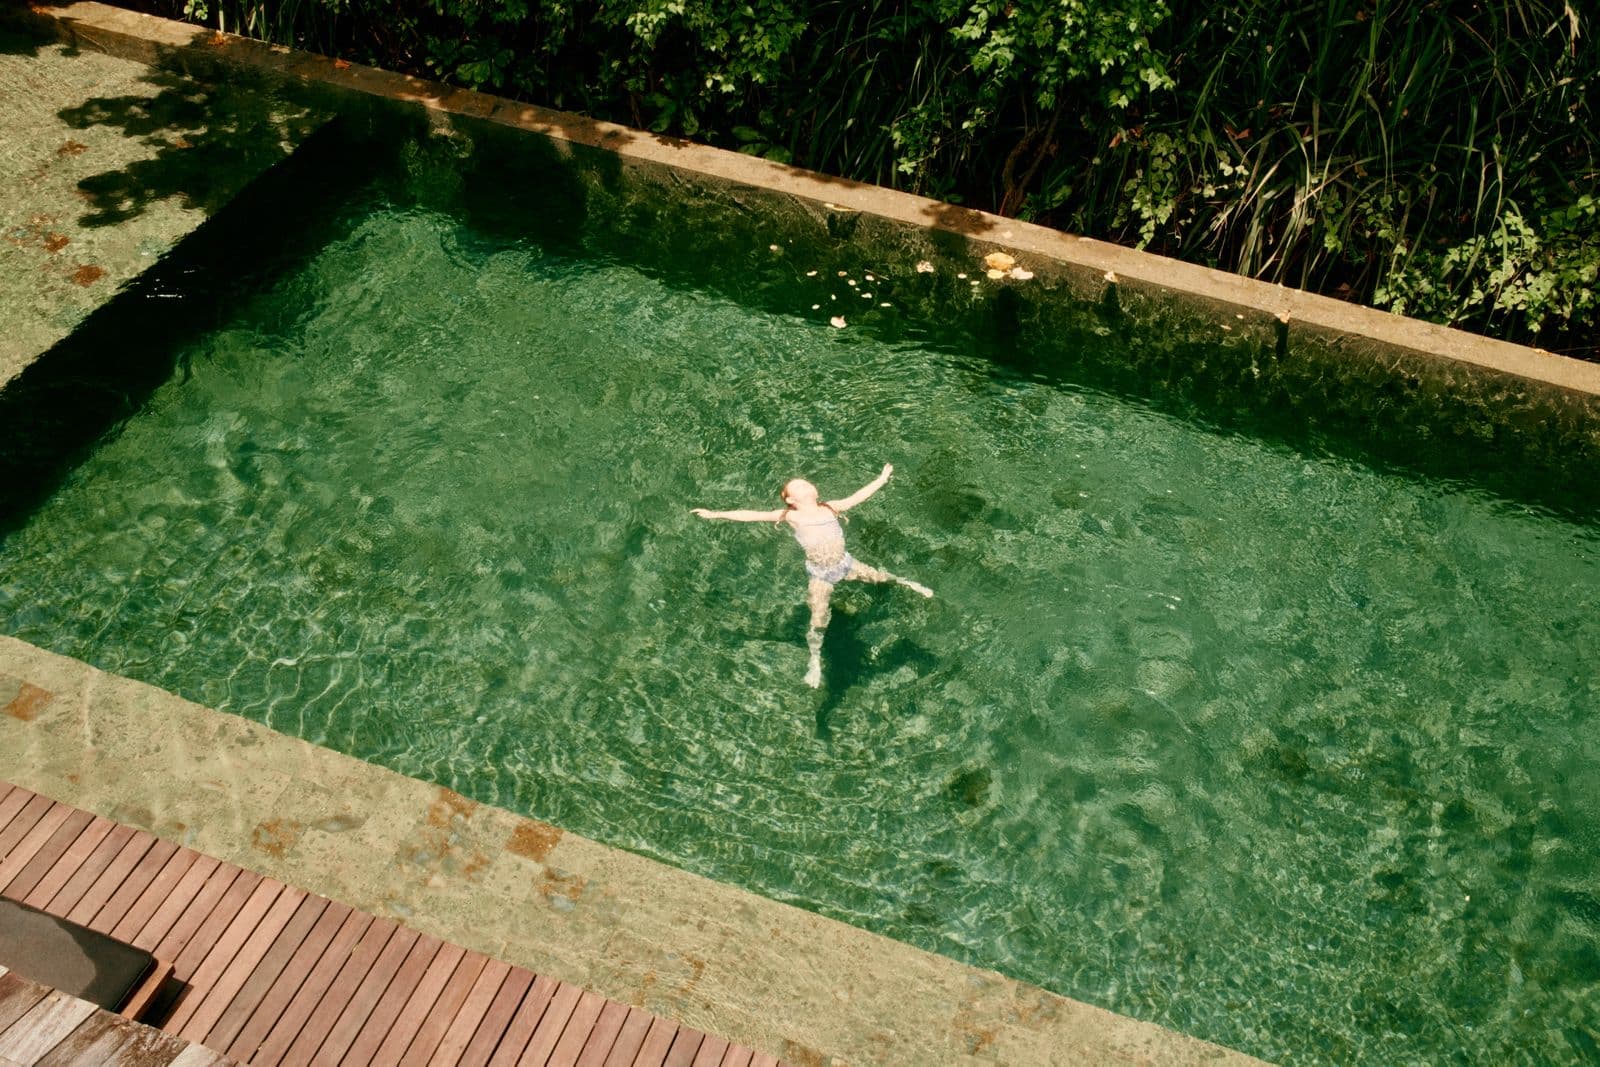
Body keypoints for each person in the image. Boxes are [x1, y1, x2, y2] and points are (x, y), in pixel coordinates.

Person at [692, 463, 933, 688]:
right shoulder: (790, 516)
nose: (806, 485)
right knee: (817, 618)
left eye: (807, 483)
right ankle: (815, 660)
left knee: (881, 577)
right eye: (798, 486)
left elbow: (859, 496)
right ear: (790, 500)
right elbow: (751, 514)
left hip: (845, 563)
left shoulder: (831, 507)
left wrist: (881, 479)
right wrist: (716, 513)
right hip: (821, 574)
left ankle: (909, 583)